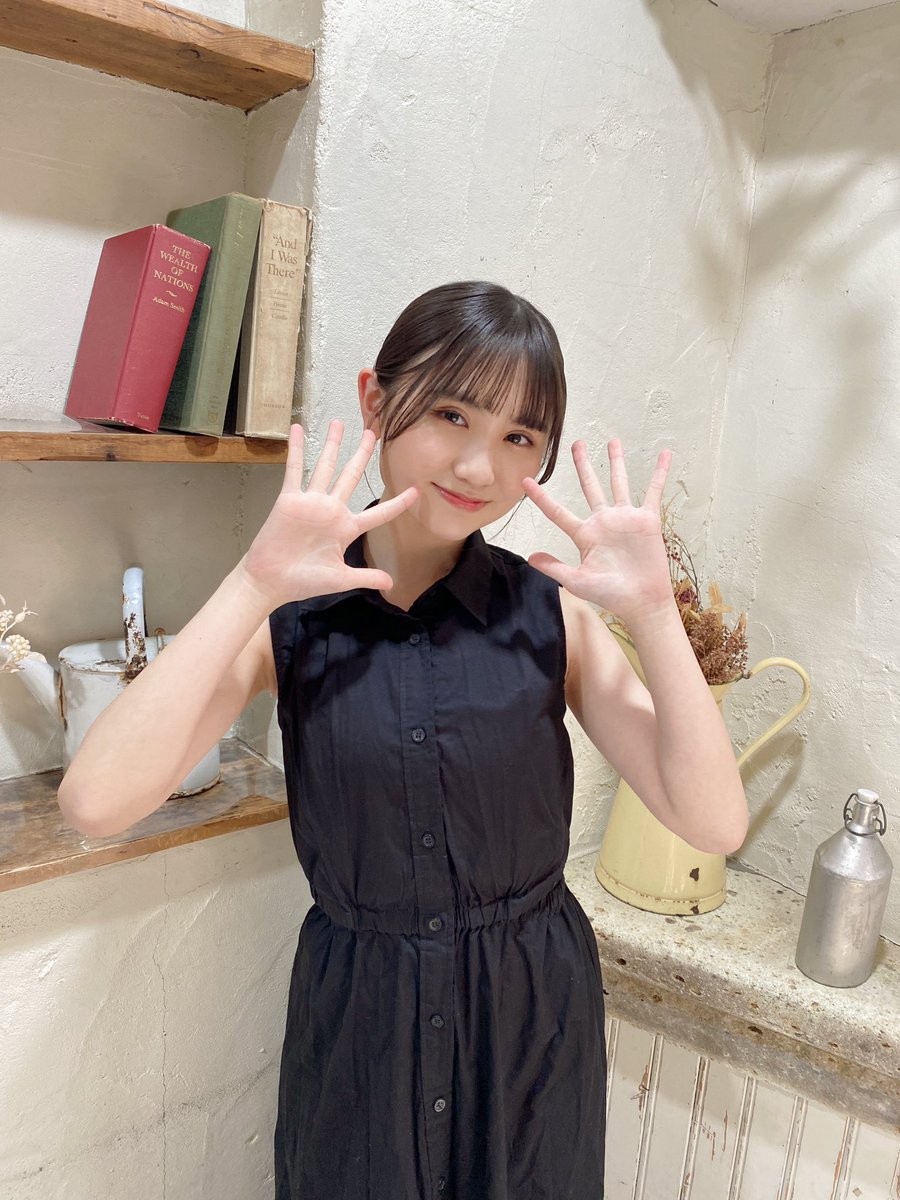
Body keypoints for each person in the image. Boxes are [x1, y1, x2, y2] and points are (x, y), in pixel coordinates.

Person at [58, 280, 748, 1200]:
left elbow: (713, 821)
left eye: (520, 437)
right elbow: (95, 802)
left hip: (530, 1031)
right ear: (376, 402)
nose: (478, 466)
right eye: (451, 414)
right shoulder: (287, 617)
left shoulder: (552, 616)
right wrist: (252, 583)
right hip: (362, 1035)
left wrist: (655, 614)